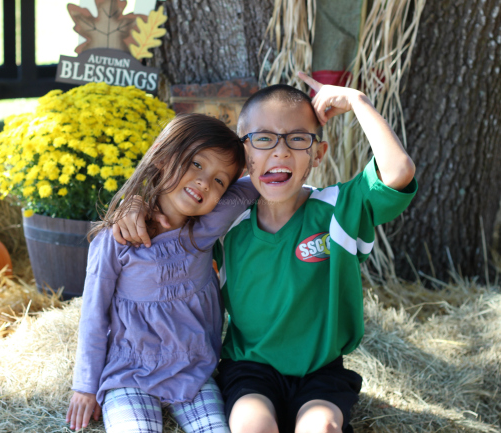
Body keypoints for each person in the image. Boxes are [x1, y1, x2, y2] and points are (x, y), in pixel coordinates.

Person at [113, 72, 417, 433]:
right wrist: (135, 203)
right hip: (249, 369)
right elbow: (169, 205)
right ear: (244, 156)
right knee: (251, 426)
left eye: (298, 139)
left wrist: (357, 101)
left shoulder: (339, 211)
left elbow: (398, 171)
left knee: (321, 428)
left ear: (318, 154)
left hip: (321, 372)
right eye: (263, 139)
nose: (280, 150)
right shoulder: (223, 220)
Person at [66, 113, 259, 433]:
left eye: (219, 181)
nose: (204, 182)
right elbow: (93, 313)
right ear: (161, 155)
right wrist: (85, 387)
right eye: (197, 164)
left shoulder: (208, 224)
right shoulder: (117, 240)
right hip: (129, 373)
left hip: (193, 372)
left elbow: (264, 178)